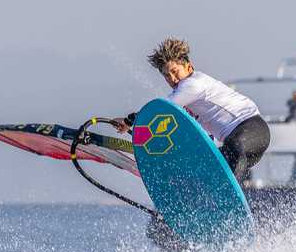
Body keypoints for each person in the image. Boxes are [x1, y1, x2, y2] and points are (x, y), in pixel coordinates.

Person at [113, 37, 270, 185]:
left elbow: (161, 110)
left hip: (253, 130)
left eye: (175, 71)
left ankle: (228, 199)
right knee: (202, 168)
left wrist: (129, 121)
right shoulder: (190, 101)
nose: (172, 79)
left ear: (189, 66)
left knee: (232, 148)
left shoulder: (193, 84)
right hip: (242, 146)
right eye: (167, 75)